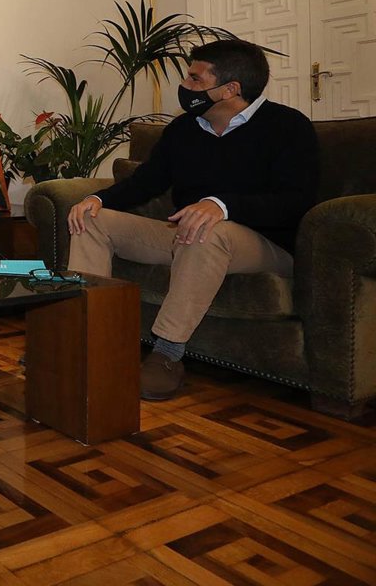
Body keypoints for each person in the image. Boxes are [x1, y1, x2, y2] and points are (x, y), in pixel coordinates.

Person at [66, 39, 318, 401]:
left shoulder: (288, 127)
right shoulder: (184, 129)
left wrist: (222, 205)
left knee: (206, 229)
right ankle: (83, 339)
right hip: (188, 236)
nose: (185, 87)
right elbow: (146, 182)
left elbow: (295, 202)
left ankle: (166, 354)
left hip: (266, 245)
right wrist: (97, 198)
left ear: (230, 89)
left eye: (195, 79)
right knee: (92, 219)